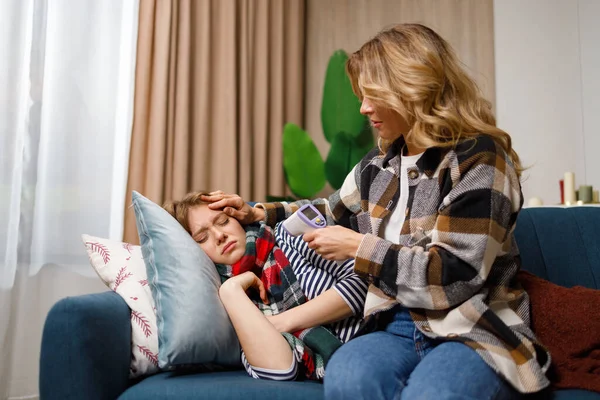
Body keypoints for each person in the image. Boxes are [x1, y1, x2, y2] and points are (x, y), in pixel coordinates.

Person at [200, 23, 551, 399]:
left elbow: (454, 277)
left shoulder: (479, 160)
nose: (363, 108)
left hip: (471, 327)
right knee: (349, 377)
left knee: (433, 394)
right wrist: (259, 214)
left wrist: (358, 248)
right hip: (394, 325)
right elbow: (327, 209)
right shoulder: (378, 165)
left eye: (373, 95)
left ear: (412, 89)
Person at [163, 192, 368, 381]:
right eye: (202, 237)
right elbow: (280, 369)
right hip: (346, 371)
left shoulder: (289, 237)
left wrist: (279, 322)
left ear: (237, 219)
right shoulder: (225, 301)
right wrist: (232, 289)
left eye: (223, 222)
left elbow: (365, 281)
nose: (219, 235)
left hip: (372, 336)